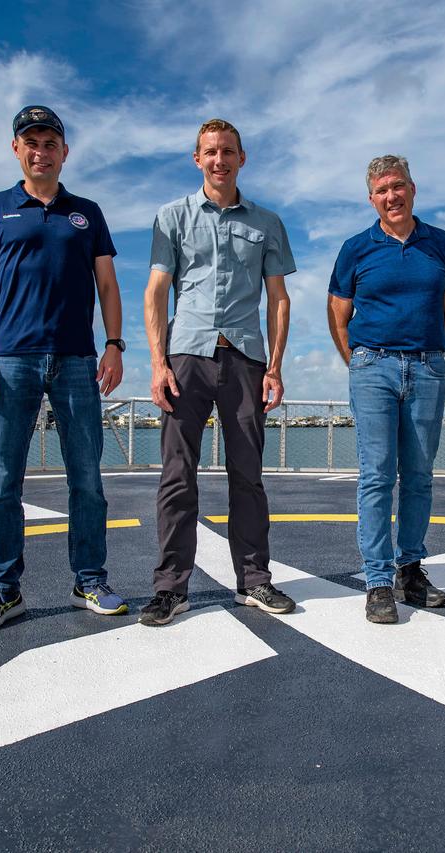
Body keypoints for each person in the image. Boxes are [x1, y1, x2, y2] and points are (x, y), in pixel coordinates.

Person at [0, 105, 129, 630]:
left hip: (78, 358)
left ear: (64, 151)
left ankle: (89, 581)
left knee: (87, 478)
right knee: (3, 480)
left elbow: (106, 285)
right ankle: (4, 589)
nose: (41, 151)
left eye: (50, 142)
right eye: (30, 142)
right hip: (11, 359)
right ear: (17, 149)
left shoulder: (87, 212)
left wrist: (115, 345)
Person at [140, 118, 296, 627]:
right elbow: (157, 292)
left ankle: (254, 582)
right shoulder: (172, 217)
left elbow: (278, 299)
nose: (219, 160)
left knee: (247, 478)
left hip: (246, 358)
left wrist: (274, 367)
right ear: (197, 159)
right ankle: (171, 589)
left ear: (241, 158)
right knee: (177, 476)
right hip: (187, 355)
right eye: (210, 152)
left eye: (228, 151)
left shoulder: (267, 223)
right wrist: (158, 363)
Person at [327, 155, 445, 624]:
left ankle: (410, 569)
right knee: (377, 474)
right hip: (373, 367)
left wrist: (432, 348)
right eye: (382, 189)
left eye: (398, 185)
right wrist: (361, 362)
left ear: (413, 188)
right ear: (372, 198)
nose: (392, 195)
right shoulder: (356, 248)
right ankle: (378, 580)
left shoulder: (441, 244)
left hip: (427, 367)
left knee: (420, 474)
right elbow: (338, 311)